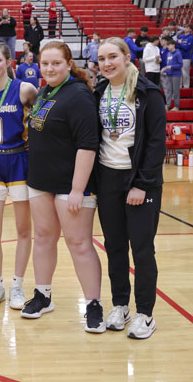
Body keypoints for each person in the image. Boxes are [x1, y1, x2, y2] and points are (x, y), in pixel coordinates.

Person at [22, 41, 106, 334]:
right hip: (40, 181)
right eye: (45, 64)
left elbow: (88, 145)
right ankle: (43, 295)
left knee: (79, 244)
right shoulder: (45, 91)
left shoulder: (79, 95)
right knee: (44, 238)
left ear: (69, 64)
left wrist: (77, 189)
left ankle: (93, 304)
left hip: (70, 186)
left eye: (56, 63)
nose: (49, 68)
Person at [95, 37, 166, 339]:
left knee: (142, 249)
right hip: (107, 179)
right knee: (114, 246)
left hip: (139, 182)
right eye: (102, 59)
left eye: (113, 56)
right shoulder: (98, 92)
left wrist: (141, 184)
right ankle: (120, 305)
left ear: (127, 57)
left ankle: (145, 314)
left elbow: (156, 142)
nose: (107, 63)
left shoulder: (149, 92)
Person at [0, 41, 37, 310]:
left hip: (19, 161)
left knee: (23, 229)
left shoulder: (25, 89)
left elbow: (41, 120)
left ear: (8, 62)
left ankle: (17, 284)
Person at [163, 38, 183, 111]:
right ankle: (168, 105)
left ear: (173, 45)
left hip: (176, 75)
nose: (168, 46)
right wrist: (165, 69)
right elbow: (168, 63)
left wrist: (171, 67)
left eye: (169, 45)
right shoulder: (168, 53)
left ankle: (176, 106)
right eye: (167, 45)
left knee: (175, 91)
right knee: (168, 90)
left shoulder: (178, 53)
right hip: (169, 74)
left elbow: (180, 65)